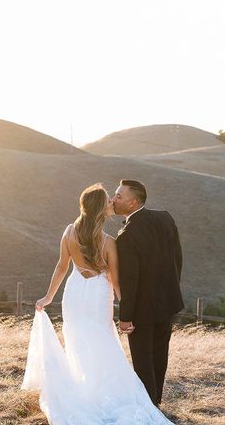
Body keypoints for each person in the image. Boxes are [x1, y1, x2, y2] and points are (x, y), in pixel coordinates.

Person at [21, 183, 172, 424]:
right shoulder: (109, 242)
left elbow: (61, 267)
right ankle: (100, 390)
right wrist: (128, 312)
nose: (113, 202)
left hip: (74, 293)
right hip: (98, 295)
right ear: (102, 210)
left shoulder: (69, 231)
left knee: (77, 341)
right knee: (102, 340)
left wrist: (49, 297)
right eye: (109, 201)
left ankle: (84, 389)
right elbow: (116, 280)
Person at [111, 179, 184, 407]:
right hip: (168, 303)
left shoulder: (126, 235)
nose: (113, 199)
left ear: (133, 203)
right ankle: (156, 402)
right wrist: (171, 290)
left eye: (119, 196)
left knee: (143, 361)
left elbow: (129, 280)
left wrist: (125, 317)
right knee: (160, 356)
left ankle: (149, 409)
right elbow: (177, 259)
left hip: (142, 310)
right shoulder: (165, 217)